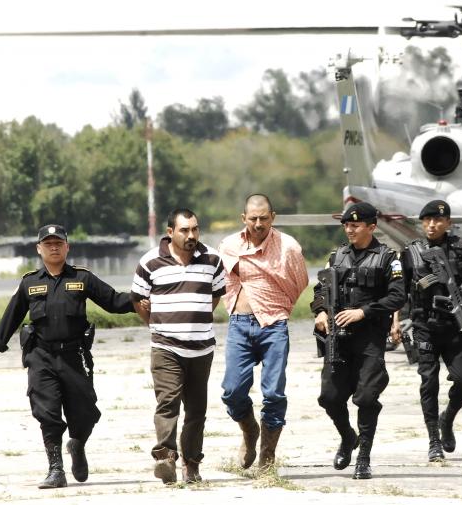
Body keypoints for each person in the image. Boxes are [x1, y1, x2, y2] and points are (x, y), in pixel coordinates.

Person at [0, 224, 135, 489]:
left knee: (85, 413)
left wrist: (145, 297)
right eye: (48, 243)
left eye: (58, 243)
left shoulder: (83, 278)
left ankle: (77, 444)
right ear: (39, 249)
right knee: (46, 412)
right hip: (41, 357)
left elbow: (114, 301)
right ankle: (55, 469)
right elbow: (12, 316)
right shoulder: (30, 282)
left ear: (67, 247)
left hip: (75, 356)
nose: (54, 247)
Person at [130, 208, 226, 484]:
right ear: (170, 232)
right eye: (185, 230)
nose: (191, 235)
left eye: (195, 229)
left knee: (197, 410)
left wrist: (196, 318)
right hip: (165, 347)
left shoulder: (212, 260)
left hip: (202, 349)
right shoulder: (150, 261)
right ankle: (165, 458)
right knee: (168, 402)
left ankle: (192, 463)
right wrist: (157, 325)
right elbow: (138, 299)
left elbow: (215, 296)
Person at [312, 201, 405, 479]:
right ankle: (347, 437)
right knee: (329, 398)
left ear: (371, 227)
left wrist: (363, 312)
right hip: (337, 340)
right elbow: (320, 289)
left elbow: (397, 296)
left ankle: (363, 456)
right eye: (346, 225)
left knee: (365, 398)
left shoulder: (388, 258)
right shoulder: (336, 256)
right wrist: (319, 311)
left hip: (369, 339)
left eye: (354, 225)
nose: (349, 230)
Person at [218, 194, 309, 469]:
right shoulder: (229, 245)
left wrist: (279, 309)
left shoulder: (288, 247)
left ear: (273, 217)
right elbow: (222, 280)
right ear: (243, 218)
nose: (258, 224)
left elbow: (299, 283)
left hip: (274, 325)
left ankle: (267, 455)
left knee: (273, 393)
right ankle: (249, 431)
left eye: (264, 218)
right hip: (239, 325)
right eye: (253, 218)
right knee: (232, 391)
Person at [401, 200, 462, 462]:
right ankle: (433, 442)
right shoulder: (411, 252)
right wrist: (395, 322)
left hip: (454, 324)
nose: (432, 224)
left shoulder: (461, 249)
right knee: (429, 383)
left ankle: (447, 417)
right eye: (427, 220)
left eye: (438, 220)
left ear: (448, 223)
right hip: (423, 325)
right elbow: (401, 290)